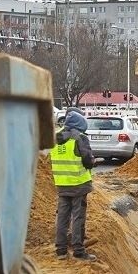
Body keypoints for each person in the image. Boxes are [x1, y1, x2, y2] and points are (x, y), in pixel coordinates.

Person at [50, 108, 97, 261]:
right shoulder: (79, 138)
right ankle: (78, 250)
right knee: (78, 217)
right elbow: (88, 161)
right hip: (78, 184)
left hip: (62, 184)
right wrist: (92, 161)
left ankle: (61, 250)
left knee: (63, 217)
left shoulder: (56, 137)